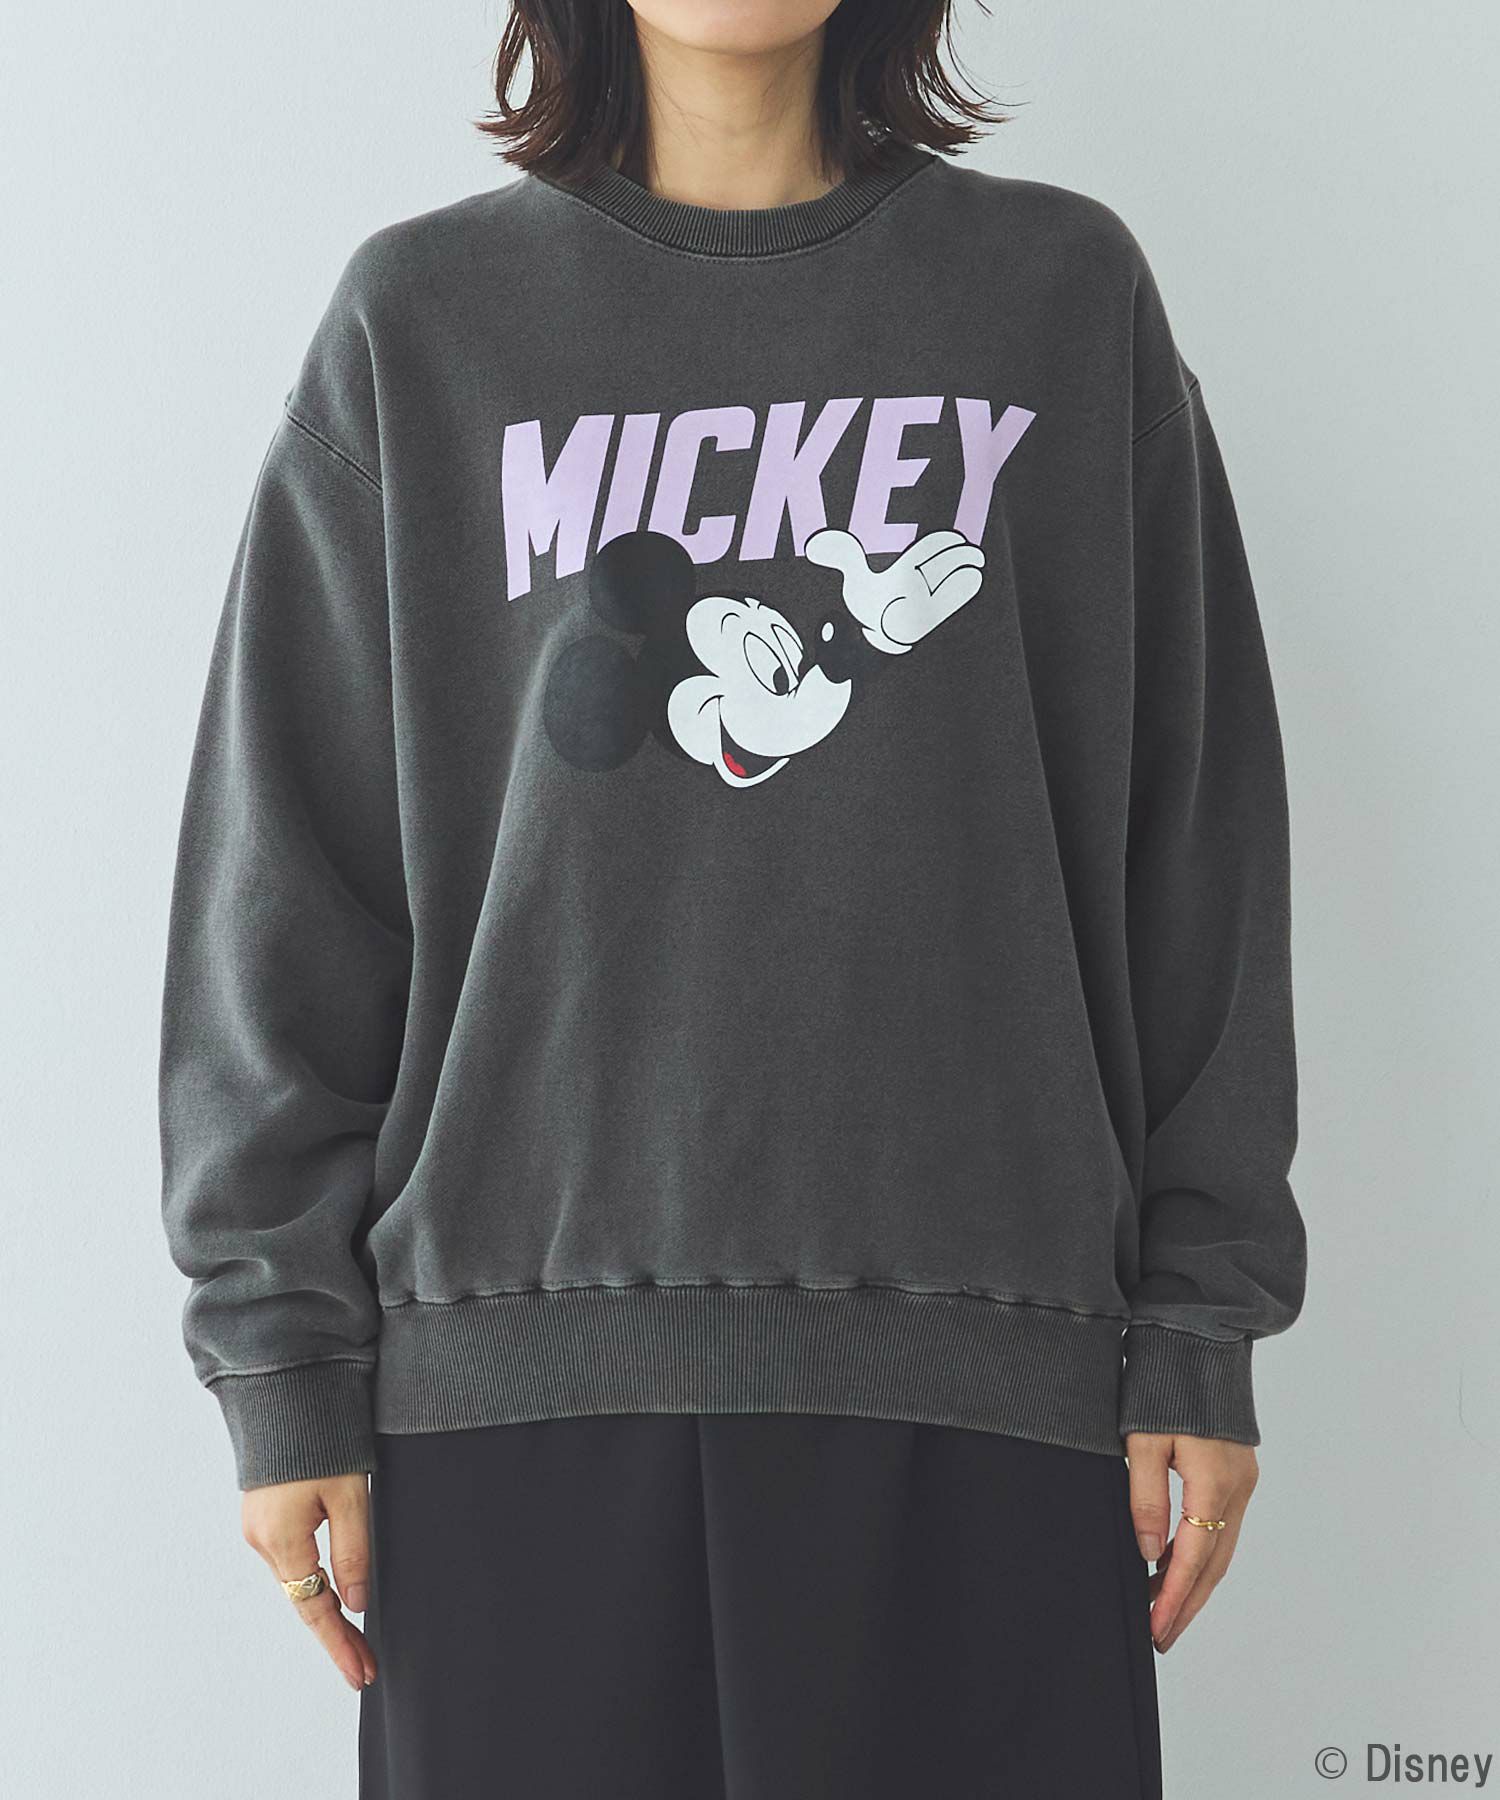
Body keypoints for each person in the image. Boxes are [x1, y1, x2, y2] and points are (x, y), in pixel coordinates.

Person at [158, 2, 1308, 1794]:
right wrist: (280, 1358)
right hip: (514, 1395)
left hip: (991, 1375)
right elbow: (292, 870)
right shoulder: (424, 319)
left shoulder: (1059, 297)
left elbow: (1196, 843)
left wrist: (1201, 1320)